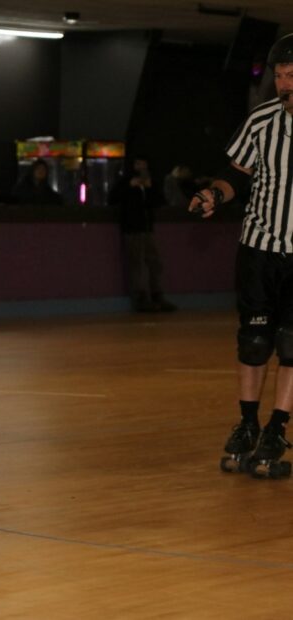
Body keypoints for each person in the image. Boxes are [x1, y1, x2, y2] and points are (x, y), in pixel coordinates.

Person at [193, 33, 293, 479]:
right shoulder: (261, 120)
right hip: (258, 248)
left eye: (292, 75)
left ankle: (277, 428)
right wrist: (216, 194)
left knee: (291, 346)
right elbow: (237, 174)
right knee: (253, 343)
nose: (285, 83)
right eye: (280, 75)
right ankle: (248, 422)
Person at [113, 157, 175, 313]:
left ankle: (156, 295)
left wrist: (149, 187)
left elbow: (160, 201)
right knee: (137, 264)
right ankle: (141, 298)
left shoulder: (150, 184)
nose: (141, 167)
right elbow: (112, 198)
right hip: (133, 228)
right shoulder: (125, 182)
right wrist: (130, 186)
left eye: (144, 164)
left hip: (147, 228)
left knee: (154, 262)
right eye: (138, 164)